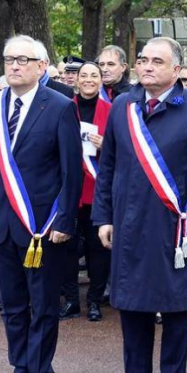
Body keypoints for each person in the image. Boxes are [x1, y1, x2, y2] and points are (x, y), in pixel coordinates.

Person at [93, 37, 187, 373]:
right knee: (132, 307)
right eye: (143, 60)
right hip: (128, 225)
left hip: (175, 229)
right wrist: (102, 217)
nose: (147, 66)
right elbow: (108, 168)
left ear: (176, 70)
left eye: (157, 61)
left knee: (174, 309)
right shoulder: (123, 106)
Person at [0, 35, 82, 373]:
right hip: (2, 224)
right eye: (9, 59)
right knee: (12, 304)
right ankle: (19, 367)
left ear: (41, 66)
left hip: (43, 227)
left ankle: (40, 372)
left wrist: (65, 221)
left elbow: (72, 171)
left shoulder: (61, 106)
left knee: (43, 304)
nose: (14, 66)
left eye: (23, 59)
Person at [60, 61, 111, 322]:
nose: (89, 80)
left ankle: (94, 301)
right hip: (68, 189)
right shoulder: (64, 108)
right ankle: (70, 300)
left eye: (94, 75)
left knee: (97, 250)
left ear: (101, 81)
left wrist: (106, 145)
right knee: (66, 246)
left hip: (98, 191)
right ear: (76, 80)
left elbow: (127, 151)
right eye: (84, 76)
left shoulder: (112, 111)